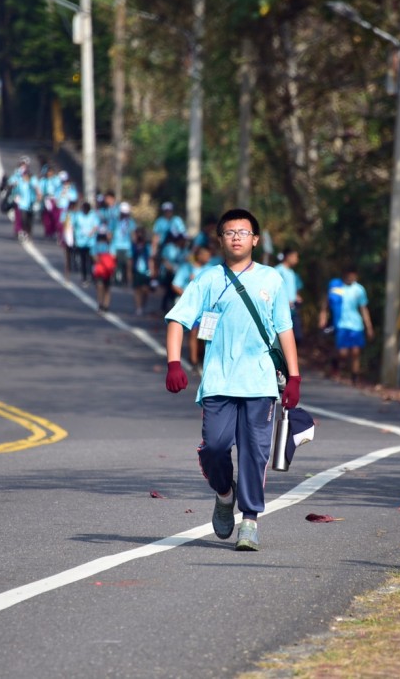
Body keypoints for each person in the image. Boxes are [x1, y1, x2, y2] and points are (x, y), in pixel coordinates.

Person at [164, 208, 301, 551]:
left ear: (255, 239)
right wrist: (173, 363)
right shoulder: (209, 279)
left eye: (243, 231)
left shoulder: (272, 279)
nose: (236, 236)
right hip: (218, 382)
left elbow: (285, 329)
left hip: (259, 382)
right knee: (214, 448)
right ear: (221, 239)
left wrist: (295, 377)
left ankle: (250, 521)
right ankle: (225, 495)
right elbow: (178, 319)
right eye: (229, 232)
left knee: (254, 453)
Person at [319, 267, 374, 384]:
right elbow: (326, 303)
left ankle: (354, 377)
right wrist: (323, 317)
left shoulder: (359, 290)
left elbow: (363, 309)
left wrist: (369, 327)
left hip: (356, 325)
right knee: (342, 352)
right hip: (341, 324)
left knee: (355, 352)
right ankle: (335, 363)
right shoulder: (336, 287)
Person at [171, 245, 213, 370]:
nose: (207, 258)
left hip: (209, 307)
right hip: (193, 307)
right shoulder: (186, 268)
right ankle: (193, 360)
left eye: (209, 256)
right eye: (205, 255)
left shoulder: (211, 270)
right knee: (194, 333)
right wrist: (189, 296)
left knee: (206, 335)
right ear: (198, 256)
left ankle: (202, 357)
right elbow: (175, 285)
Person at [275, 247, 304, 343]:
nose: (297, 260)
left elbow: (292, 289)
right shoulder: (278, 270)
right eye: (295, 257)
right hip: (282, 308)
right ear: (288, 257)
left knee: (297, 337)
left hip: (293, 308)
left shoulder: (291, 272)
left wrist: (297, 297)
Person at [72, 202, 99, 286]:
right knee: (83, 261)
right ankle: (84, 277)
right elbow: (73, 225)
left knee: (92, 261)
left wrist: (92, 232)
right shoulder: (78, 216)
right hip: (81, 242)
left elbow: (96, 226)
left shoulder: (93, 216)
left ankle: (93, 277)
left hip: (91, 242)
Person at [91, 216, 115, 311]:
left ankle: (106, 304)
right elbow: (94, 256)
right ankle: (100, 303)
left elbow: (113, 256)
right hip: (100, 269)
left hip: (107, 269)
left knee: (107, 287)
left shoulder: (110, 245)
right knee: (100, 286)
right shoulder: (96, 245)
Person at [130, 227, 154, 316]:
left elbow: (150, 258)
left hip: (146, 270)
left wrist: (152, 270)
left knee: (145, 290)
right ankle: (138, 307)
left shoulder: (147, 246)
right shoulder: (133, 246)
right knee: (137, 289)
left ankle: (142, 305)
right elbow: (131, 258)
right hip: (136, 269)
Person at [11, 170, 39, 241]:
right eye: (24, 176)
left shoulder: (32, 184)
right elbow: (15, 192)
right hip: (22, 205)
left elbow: (37, 193)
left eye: (26, 176)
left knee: (29, 221)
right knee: (23, 219)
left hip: (31, 205)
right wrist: (15, 197)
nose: (25, 177)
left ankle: (28, 232)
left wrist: (37, 200)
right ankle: (23, 232)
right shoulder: (20, 184)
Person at [111, 201, 135, 286]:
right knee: (116, 265)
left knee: (127, 265)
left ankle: (126, 281)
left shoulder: (131, 222)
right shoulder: (115, 221)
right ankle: (117, 280)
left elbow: (133, 234)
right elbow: (110, 233)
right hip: (116, 246)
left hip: (127, 247)